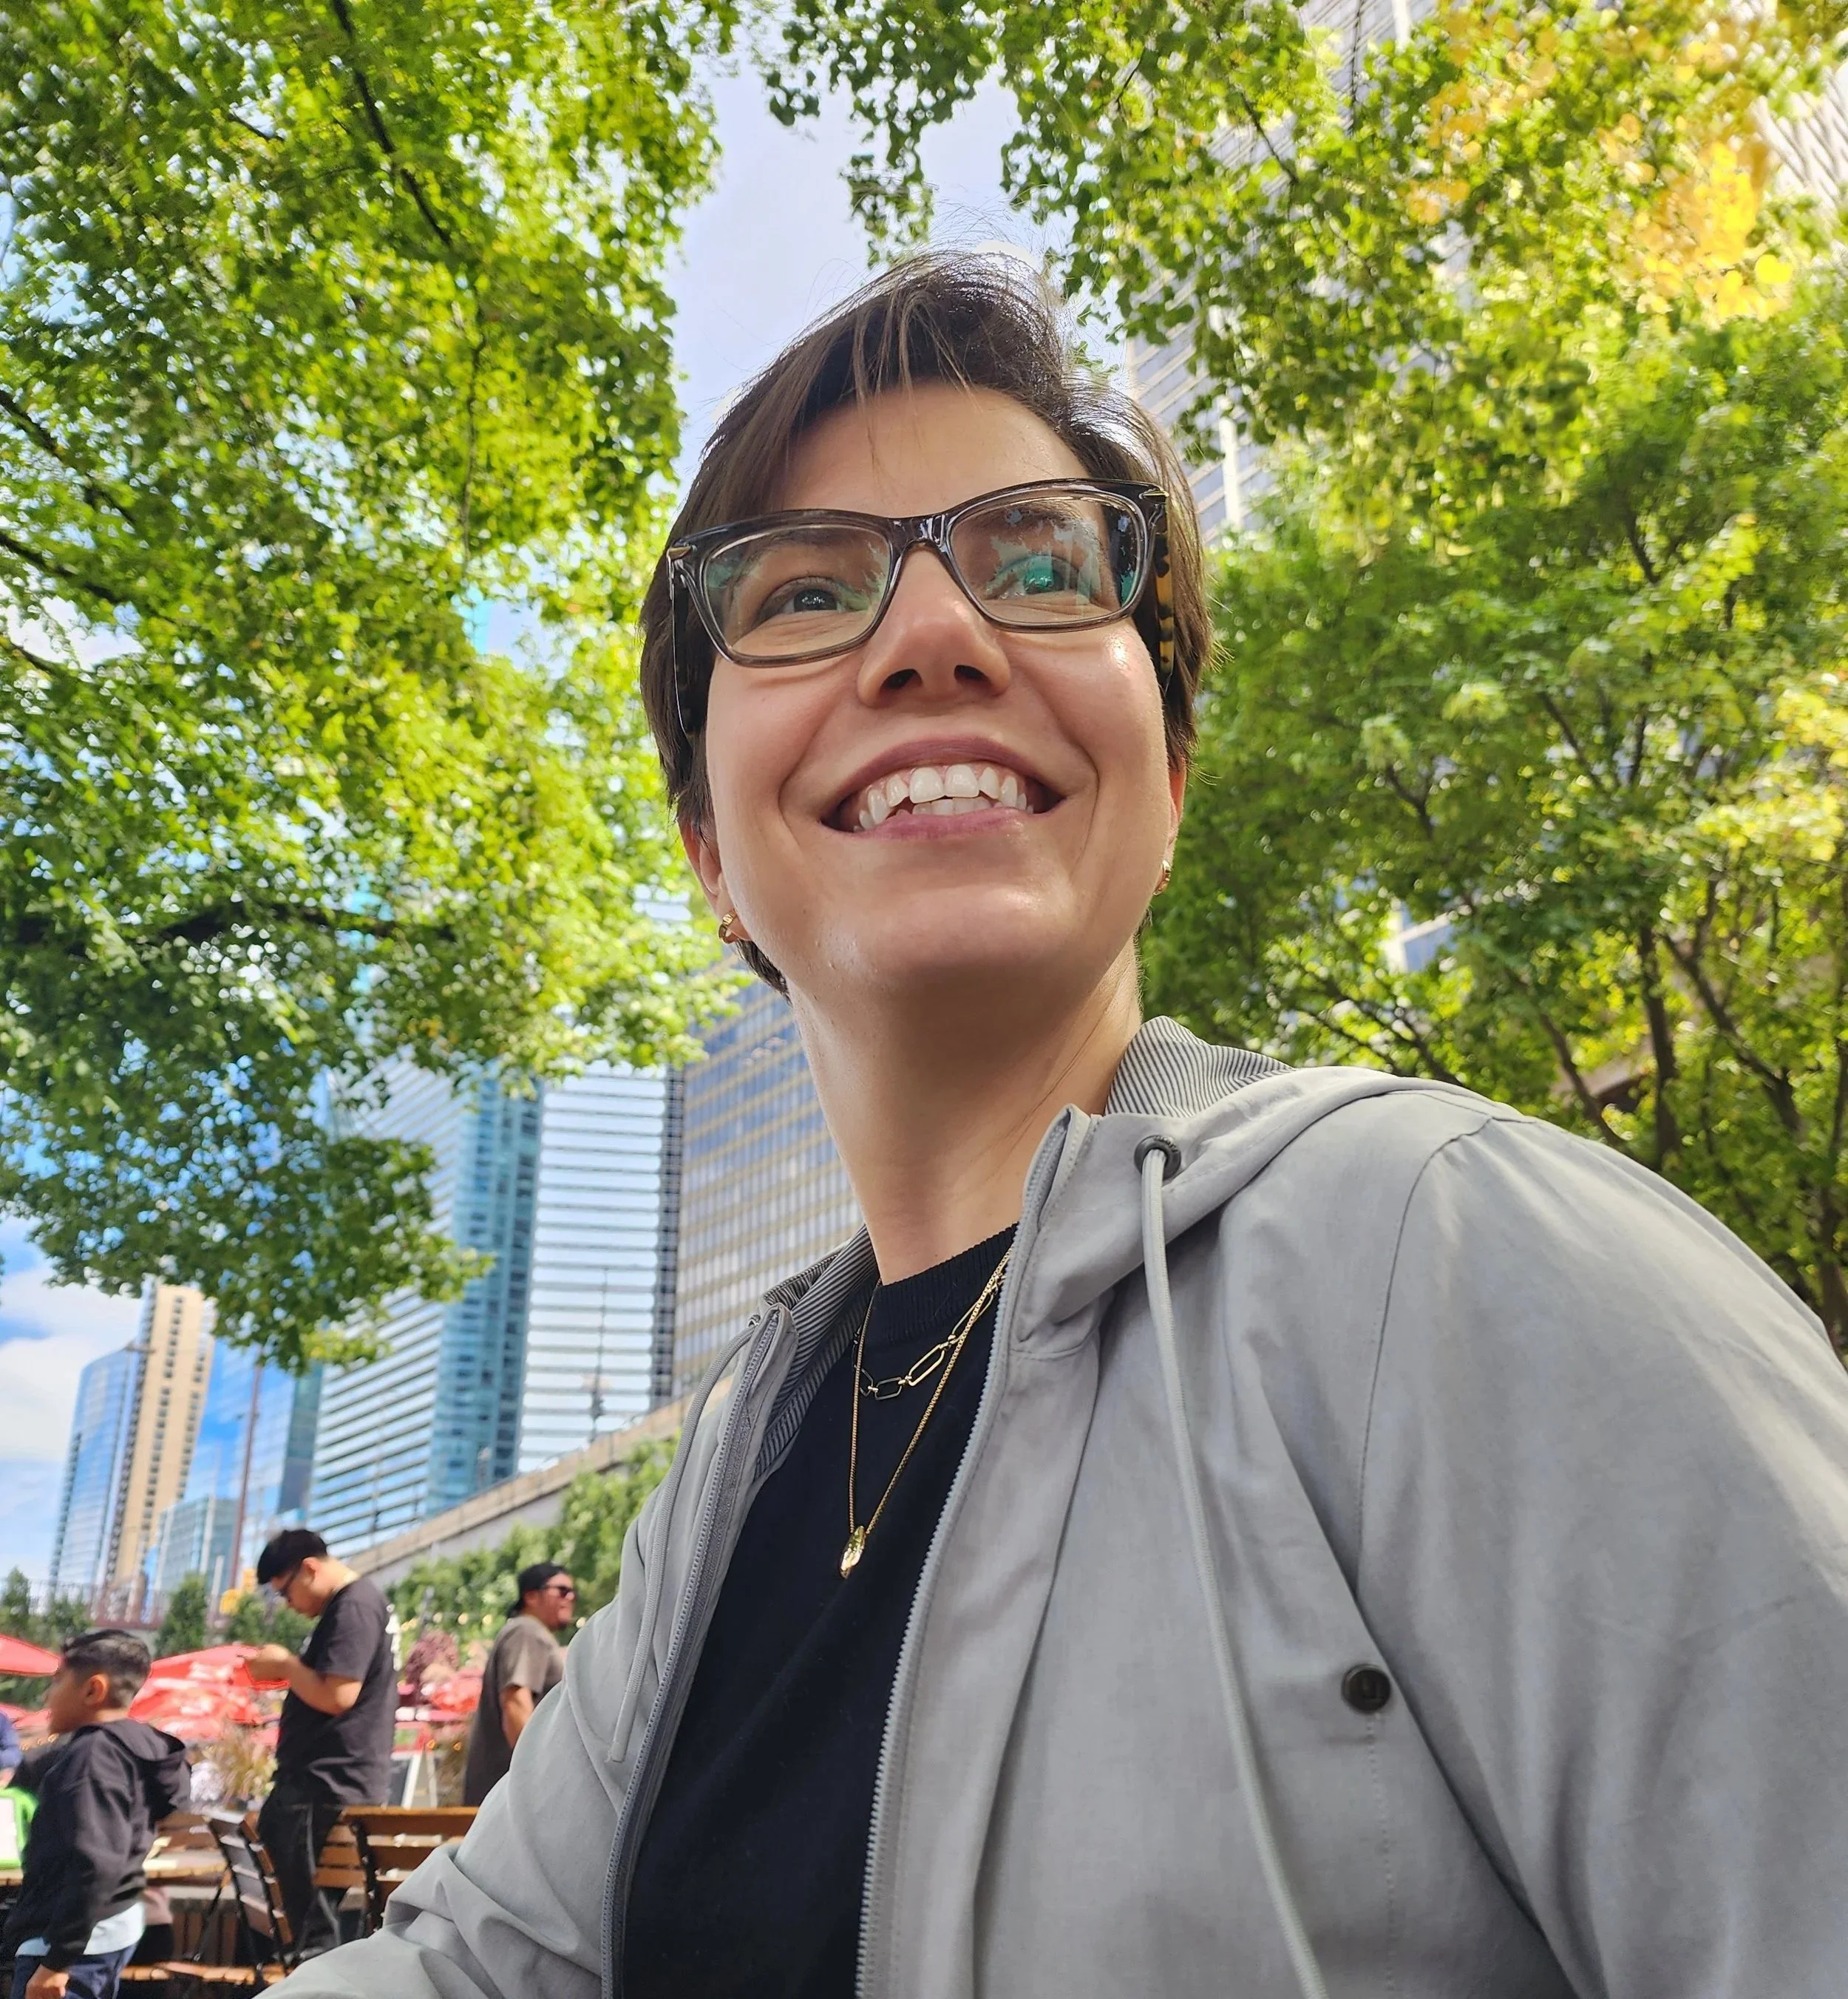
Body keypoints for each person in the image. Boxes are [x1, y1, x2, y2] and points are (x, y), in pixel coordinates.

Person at [276, 254, 1848, 1999]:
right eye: (803, 594)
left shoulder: (1452, 1249)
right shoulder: (740, 1462)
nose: (934, 632)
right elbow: (484, 1969)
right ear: (712, 858)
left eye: (1037, 565)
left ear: (1166, 781)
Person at [1, 1629, 187, 1999]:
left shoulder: (92, 1757)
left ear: (92, 1690)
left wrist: (56, 1964)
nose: (47, 1696)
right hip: (110, 1926)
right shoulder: (132, 1746)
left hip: (68, 1944)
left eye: (56, 1683)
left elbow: (95, 1864)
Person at [249, 1530, 395, 1960]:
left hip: (325, 1781)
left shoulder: (353, 1605)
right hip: (329, 1779)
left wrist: (286, 1665)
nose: (288, 1604)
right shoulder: (355, 1605)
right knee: (312, 1923)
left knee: (313, 1933)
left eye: (285, 1592)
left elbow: (338, 1696)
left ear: (309, 1569)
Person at [461, 1564, 574, 1807]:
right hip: (514, 1800)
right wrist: (541, 1778)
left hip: (503, 1797)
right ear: (531, 1596)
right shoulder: (526, 1631)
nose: (571, 1597)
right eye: (562, 1591)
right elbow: (515, 1705)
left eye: (573, 1592)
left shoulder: (526, 1632)